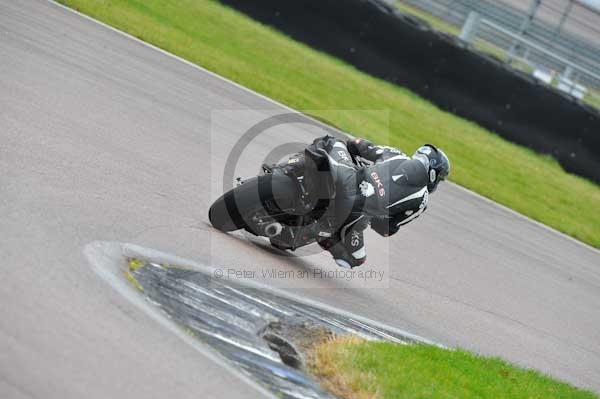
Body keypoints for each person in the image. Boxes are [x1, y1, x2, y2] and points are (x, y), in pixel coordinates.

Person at [306, 135, 450, 269]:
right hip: (355, 214)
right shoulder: (421, 199)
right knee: (356, 258)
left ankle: (300, 167)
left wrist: (358, 158)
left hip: (347, 177)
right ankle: (320, 233)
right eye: (439, 178)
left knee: (331, 141)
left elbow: (357, 145)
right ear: (433, 173)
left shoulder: (396, 154)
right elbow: (385, 229)